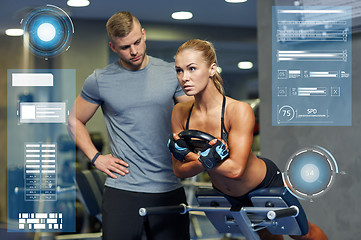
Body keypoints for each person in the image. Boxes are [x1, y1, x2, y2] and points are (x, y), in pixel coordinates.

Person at [168, 39, 328, 240]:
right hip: (228, 195)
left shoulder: (237, 110)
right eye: (179, 70)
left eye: (192, 69)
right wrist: (207, 158)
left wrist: (192, 157)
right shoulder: (180, 112)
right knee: (267, 238)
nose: (185, 77)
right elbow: (178, 170)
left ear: (212, 69)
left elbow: (235, 170)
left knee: (303, 235)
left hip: (263, 185)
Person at [67, 11, 192, 240]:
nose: (134, 51)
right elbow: (74, 120)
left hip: (169, 188)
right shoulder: (100, 80)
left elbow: (195, 116)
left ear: (144, 35)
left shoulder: (171, 73)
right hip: (123, 191)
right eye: (125, 47)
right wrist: (96, 158)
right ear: (113, 47)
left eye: (137, 42)